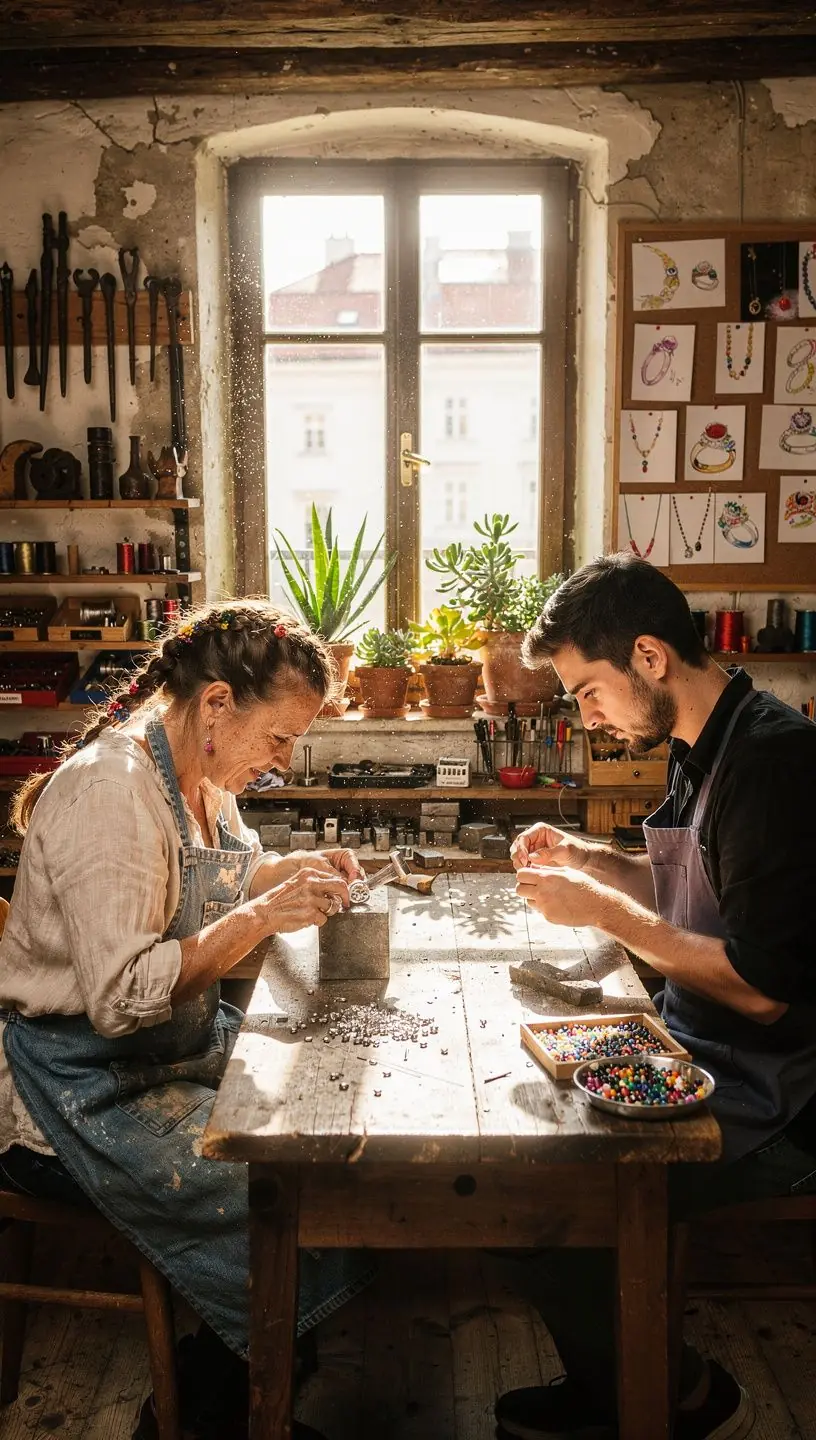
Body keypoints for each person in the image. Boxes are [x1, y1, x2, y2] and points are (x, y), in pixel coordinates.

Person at [0, 601, 375, 1440]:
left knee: (314, 1146)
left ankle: (241, 1394)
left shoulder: (196, 777)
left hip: (159, 1058)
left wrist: (294, 869)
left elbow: (222, 881)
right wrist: (261, 917)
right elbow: (121, 994)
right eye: (277, 739)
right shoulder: (111, 791)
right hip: (74, 1091)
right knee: (279, 1192)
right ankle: (213, 1414)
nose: (280, 763)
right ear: (214, 706)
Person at [495, 554, 816, 1440]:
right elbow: (689, 889)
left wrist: (607, 915)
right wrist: (594, 863)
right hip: (698, 1047)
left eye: (589, 691)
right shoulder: (699, 745)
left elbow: (763, 993)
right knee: (518, 1150)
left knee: (532, 1199)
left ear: (648, 657)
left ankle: (671, 1395)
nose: (587, 717)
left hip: (778, 1095)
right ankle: (625, 1383)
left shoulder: (776, 765)